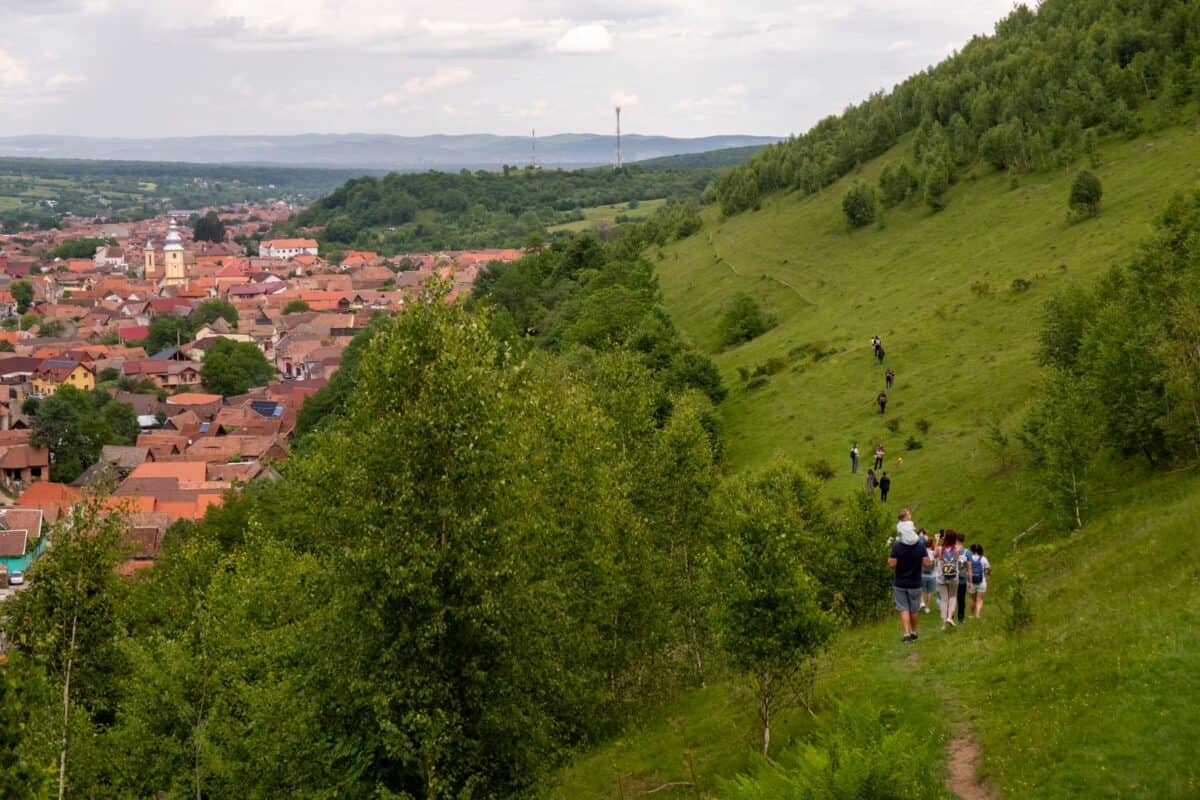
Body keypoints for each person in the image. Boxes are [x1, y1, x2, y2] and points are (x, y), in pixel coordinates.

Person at [888, 509, 929, 642]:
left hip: (900, 582)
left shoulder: (898, 547)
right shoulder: (920, 546)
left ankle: (906, 634)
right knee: (914, 609)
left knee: (904, 609)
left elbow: (891, 564)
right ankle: (914, 631)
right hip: (915, 582)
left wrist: (893, 558)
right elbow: (927, 563)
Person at [936, 530, 965, 630]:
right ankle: (949, 617)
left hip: (941, 576)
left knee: (944, 599)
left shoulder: (940, 549)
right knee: (953, 597)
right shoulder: (957, 550)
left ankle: (943, 624)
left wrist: (938, 540)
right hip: (953, 576)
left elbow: (936, 556)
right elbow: (957, 561)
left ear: (945, 538)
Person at [968, 544, 991, 618]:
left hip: (971, 581)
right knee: (980, 599)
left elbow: (966, 569)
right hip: (981, 581)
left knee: (972, 598)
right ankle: (977, 614)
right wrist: (987, 575)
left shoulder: (969, 558)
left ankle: (971, 614)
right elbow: (988, 569)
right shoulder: (983, 558)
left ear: (972, 550)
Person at [919, 529, 936, 613]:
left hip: (922, 574)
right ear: (931, 545)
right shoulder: (933, 553)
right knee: (930, 591)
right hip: (932, 575)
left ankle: (922, 602)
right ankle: (927, 607)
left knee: (921, 589)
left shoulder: (922, 553)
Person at [956, 538, 970, 624]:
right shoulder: (967, 552)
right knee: (961, 600)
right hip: (963, 580)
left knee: (952, 599)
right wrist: (970, 581)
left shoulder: (951, 550)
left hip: (953, 579)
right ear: (963, 541)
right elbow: (969, 568)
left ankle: (950, 617)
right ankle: (961, 618)